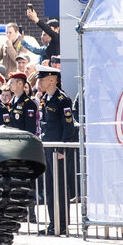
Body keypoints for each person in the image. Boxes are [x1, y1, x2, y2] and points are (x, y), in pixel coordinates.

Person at [36, 65, 77, 235]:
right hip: (47, 148)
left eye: (43, 79)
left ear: (52, 79)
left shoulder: (62, 100)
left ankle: (62, 224)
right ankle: (53, 223)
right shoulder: (45, 98)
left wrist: (61, 149)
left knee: (59, 187)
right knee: (49, 188)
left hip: (57, 150)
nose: (40, 83)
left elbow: (68, 127)